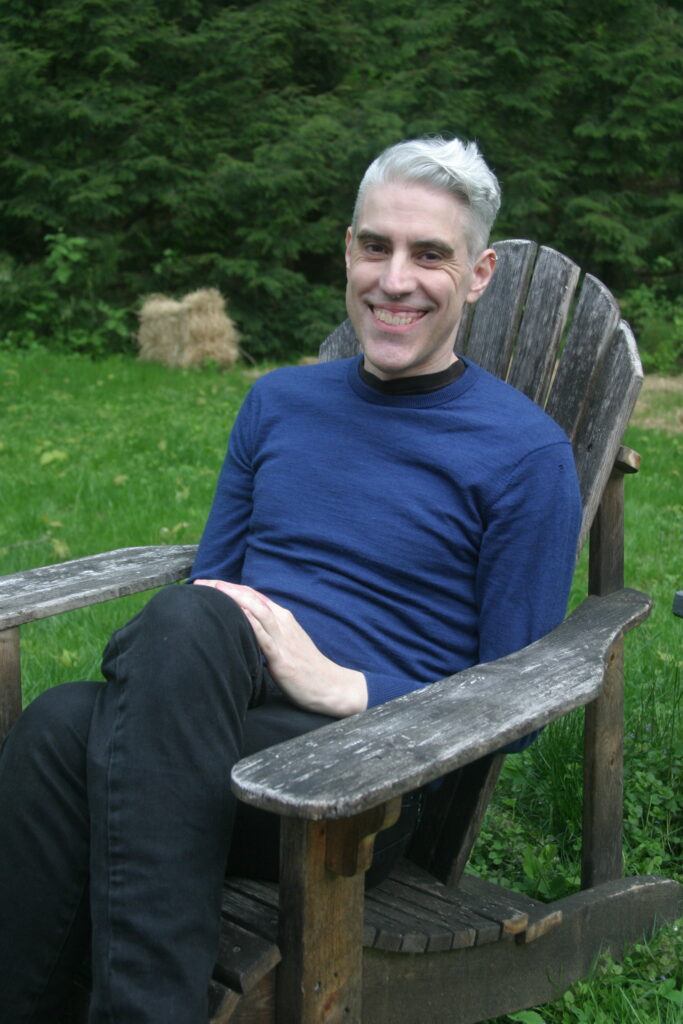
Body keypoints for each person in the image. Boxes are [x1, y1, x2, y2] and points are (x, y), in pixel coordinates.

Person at [0, 136, 582, 1023]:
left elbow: (521, 704)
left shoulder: (523, 454)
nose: (394, 280)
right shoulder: (278, 402)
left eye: (429, 255)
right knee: (71, 713)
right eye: (376, 246)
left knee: (75, 719)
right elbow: (217, 589)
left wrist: (341, 686)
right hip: (208, 721)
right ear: (347, 251)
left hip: (354, 790)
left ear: (478, 275)